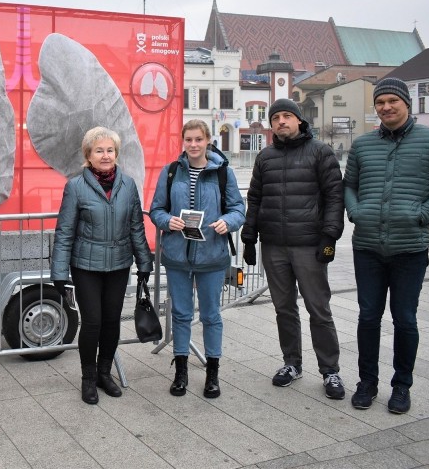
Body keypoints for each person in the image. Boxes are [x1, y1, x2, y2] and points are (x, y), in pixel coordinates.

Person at [345, 78, 429, 414]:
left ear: (406, 103)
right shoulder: (363, 145)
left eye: (392, 101)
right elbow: (349, 185)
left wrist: (422, 215)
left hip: (410, 248)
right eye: (380, 102)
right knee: (368, 317)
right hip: (367, 246)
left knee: (405, 318)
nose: (386, 107)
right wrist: (356, 212)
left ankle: (401, 386)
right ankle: (367, 383)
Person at [240, 99, 346, 399]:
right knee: (284, 309)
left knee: (318, 309)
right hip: (274, 245)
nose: (281, 122)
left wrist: (329, 237)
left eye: (287, 116)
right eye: (276, 118)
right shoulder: (265, 157)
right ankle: (292, 363)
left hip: (309, 245)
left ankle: (330, 370)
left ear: (299, 120)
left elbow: (334, 198)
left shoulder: (320, 153)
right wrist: (249, 238)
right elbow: (256, 199)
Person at [52, 126, 153, 405]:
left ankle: (104, 373)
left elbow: (136, 227)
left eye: (110, 150)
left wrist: (144, 261)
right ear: (88, 155)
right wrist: (60, 272)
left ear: (116, 154)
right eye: (99, 150)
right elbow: (65, 232)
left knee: (111, 323)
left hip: (119, 265)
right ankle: (87, 378)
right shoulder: (75, 187)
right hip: (86, 267)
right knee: (93, 323)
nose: (105, 155)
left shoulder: (128, 185)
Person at [149, 120, 245, 399]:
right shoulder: (171, 172)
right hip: (178, 255)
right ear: (183, 141)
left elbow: (239, 208)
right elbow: (156, 210)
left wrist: (227, 222)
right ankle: (181, 372)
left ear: (207, 141)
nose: (193, 145)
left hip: (212, 256)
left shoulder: (222, 173)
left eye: (198, 140)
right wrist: (168, 221)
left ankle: (212, 374)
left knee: (211, 315)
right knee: (180, 314)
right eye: (188, 140)